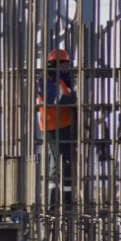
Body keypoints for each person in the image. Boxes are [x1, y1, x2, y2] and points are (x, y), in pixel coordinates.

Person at [36, 48, 78, 206]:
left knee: (67, 164)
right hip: (52, 127)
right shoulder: (45, 82)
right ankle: (53, 201)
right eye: (64, 65)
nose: (67, 68)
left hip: (65, 126)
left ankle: (66, 201)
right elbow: (56, 100)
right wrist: (74, 99)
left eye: (68, 65)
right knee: (57, 164)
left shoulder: (63, 82)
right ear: (55, 65)